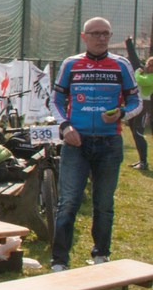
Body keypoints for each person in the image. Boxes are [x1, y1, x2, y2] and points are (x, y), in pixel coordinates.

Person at [49, 17, 141, 272]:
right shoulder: (71, 64)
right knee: (68, 202)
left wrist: (122, 113)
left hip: (109, 143)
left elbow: (136, 101)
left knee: (103, 203)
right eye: (96, 33)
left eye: (106, 33)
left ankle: (101, 255)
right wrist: (65, 127)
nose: (101, 38)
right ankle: (59, 260)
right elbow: (55, 100)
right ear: (84, 37)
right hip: (76, 143)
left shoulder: (121, 64)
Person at [124, 36, 153, 170]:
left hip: (144, 106)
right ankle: (141, 160)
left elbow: (140, 81)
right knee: (134, 132)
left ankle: (144, 163)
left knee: (139, 133)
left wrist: (137, 72)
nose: (149, 66)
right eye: (149, 64)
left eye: (152, 65)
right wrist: (129, 43)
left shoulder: (149, 77)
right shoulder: (142, 71)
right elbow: (134, 59)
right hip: (134, 104)